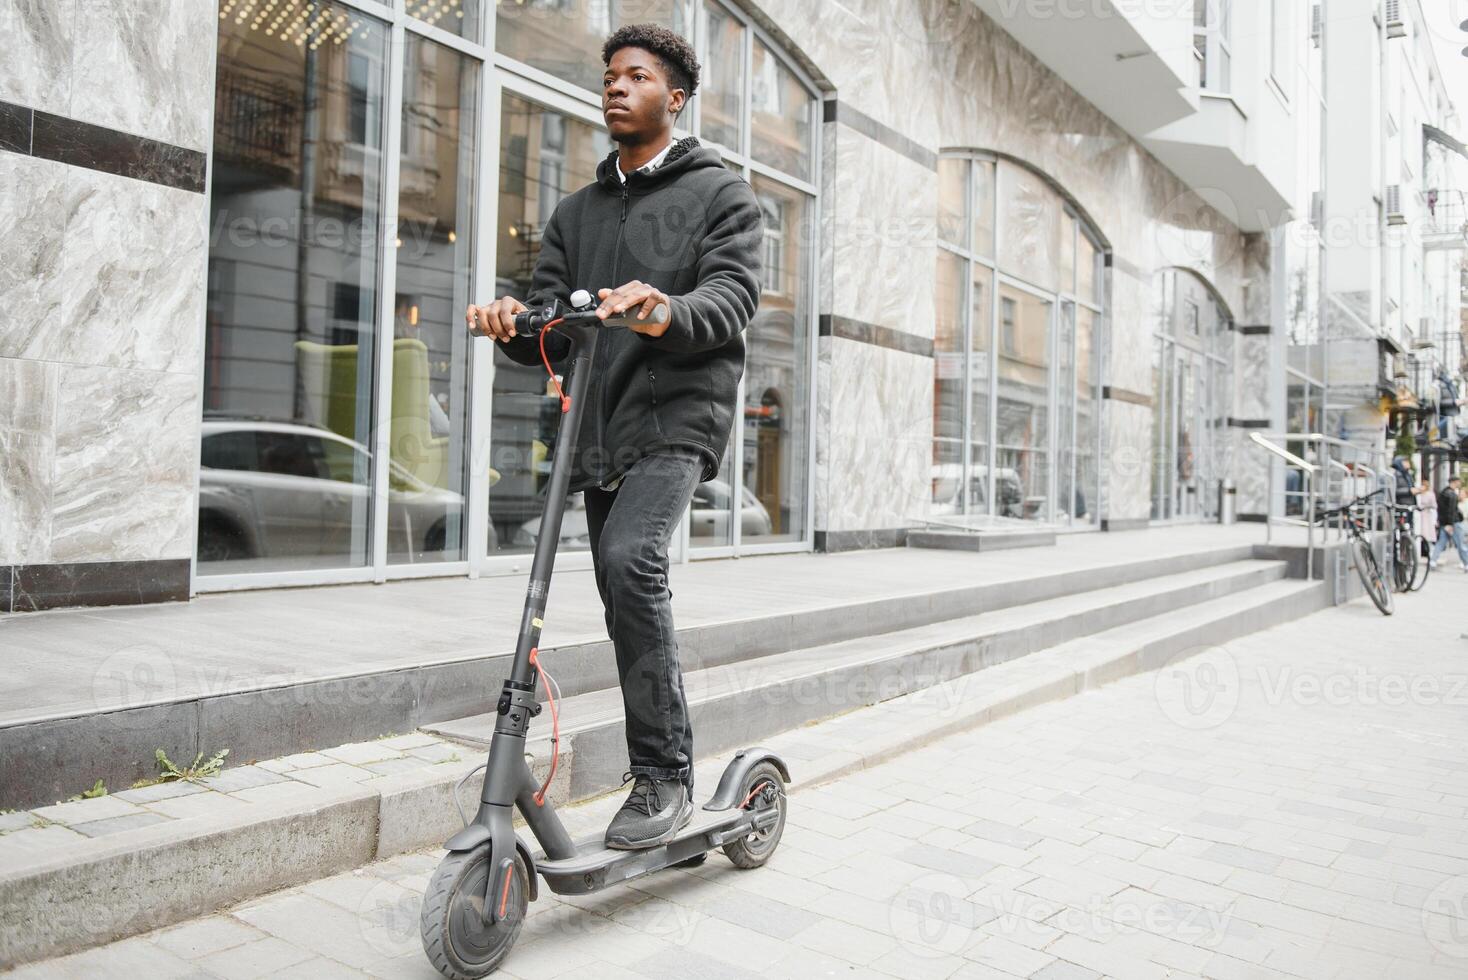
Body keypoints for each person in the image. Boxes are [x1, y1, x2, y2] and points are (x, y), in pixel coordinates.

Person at [464, 25, 764, 850]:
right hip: (597, 427)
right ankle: (658, 764)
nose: (616, 87)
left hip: (676, 419)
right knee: (617, 583)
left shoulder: (721, 195)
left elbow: (732, 300)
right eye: (609, 77)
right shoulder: (576, 213)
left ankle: (664, 775)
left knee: (632, 560)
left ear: (675, 98)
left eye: (636, 76)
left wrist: (665, 309)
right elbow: (551, 325)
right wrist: (511, 324)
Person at [1430, 476, 1468, 570]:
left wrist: (1443, 522)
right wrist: (1450, 524)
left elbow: (1441, 510)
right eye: (1458, 482)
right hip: (1453, 523)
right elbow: (1451, 511)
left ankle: (1433, 561)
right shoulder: (1452, 495)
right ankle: (1466, 563)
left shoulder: (1443, 493)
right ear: (1454, 482)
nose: (1459, 484)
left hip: (1445, 523)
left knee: (1441, 543)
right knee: (1460, 544)